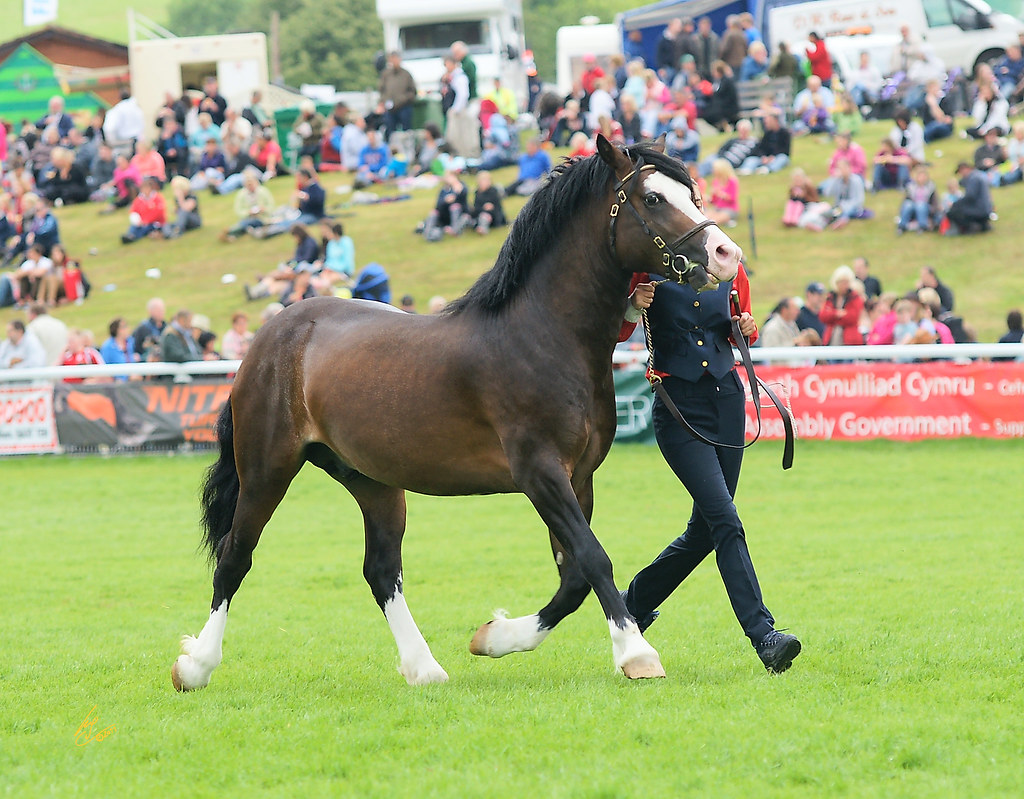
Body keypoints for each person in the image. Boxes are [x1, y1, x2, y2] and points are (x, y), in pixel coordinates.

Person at [619, 265, 801, 674]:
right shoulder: (646, 269)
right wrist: (633, 306)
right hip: (678, 408)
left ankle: (633, 605)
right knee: (725, 519)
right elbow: (617, 329)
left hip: (727, 402)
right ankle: (764, 635)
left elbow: (743, 330)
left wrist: (746, 327)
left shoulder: (730, 266)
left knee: (706, 530)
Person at [820, 265, 864, 346]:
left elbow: (853, 317)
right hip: (831, 338)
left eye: (846, 282)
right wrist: (837, 313)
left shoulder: (854, 297)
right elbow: (823, 316)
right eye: (842, 282)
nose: (844, 285)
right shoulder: (830, 297)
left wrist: (833, 316)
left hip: (850, 340)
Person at [945, 161, 993, 235]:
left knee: (952, 212)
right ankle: (983, 225)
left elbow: (970, 197)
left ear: (965, 169)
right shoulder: (978, 175)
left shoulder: (973, 179)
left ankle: (972, 226)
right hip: (986, 209)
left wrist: (955, 204)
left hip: (979, 210)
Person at [378, 51, 417, 142]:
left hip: (404, 106)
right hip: (390, 108)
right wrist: (384, 101)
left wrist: (403, 99)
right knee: (390, 131)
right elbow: (381, 90)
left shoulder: (406, 74)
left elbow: (412, 92)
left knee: (406, 131)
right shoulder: (386, 74)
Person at [310, 219, 355, 295]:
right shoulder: (331, 243)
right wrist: (327, 268)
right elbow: (329, 259)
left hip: (343, 271)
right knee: (318, 279)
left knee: (326, 282)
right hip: (330, 269)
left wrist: (333, 269)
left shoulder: (346, 242)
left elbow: (347, 262)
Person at [120, 176, 166, 243]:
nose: (145, 191)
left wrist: (146, 220)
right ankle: (129, 235)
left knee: (145, 228)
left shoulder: (157, 198)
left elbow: (159, 212)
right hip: (142, 222)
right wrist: (137, 220)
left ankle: (134, 237)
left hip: (156, 222)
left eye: (146, 188)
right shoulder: (139, 200)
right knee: (134, 226)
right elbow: (133, 210)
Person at [468, 170, 506, 234]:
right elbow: (476, 208)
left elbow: (499, 209)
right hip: (480, 214)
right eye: (483, 181)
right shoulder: (477, 193)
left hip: (492, 216)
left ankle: (483, 229)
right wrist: (484, 208)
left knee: (484, 216)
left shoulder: (493, 192)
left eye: (487, 180)